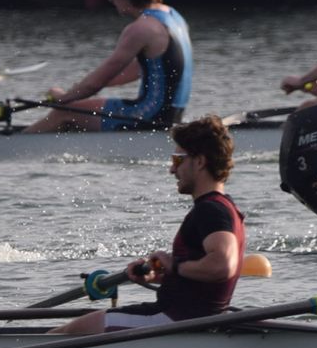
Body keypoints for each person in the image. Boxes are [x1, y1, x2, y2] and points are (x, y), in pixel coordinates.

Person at [52, 115, 244, 334]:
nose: (172, 170)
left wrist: (174, 265)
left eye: (177, 160)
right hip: (191, 318)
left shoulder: (211, 210)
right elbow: (204, 275)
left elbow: (222, 266)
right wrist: (160, 274)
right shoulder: (223, 207)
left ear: (199, 162)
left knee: (64, 334)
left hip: (177, 320)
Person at [30, 0, 193, 132]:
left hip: (149, 115)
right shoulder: (173, 16)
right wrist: (81, 89)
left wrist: (64, 98)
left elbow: (96, 83)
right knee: (75, 109)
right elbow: (138, 70)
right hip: (173, 115)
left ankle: (17, 147)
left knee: (63, 113)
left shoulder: (139, 29)